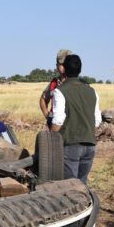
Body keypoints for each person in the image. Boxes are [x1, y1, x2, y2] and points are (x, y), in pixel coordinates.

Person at [50, 54, 101, 185]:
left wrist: (50, 139)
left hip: (70, 145)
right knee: (82, 185)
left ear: (64, 70)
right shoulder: (92, 91)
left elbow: (58, 121)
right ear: (80, 70)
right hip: (90, 145)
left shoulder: (60, 91)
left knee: (70, 187)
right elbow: (97, 121)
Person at [40, 49, 73, 127]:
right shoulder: (54, 83)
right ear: (57, 65)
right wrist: (48, 117)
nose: (65, 66)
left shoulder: (77, 83)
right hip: (55, 127)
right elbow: (43, 99)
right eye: (62, 64)